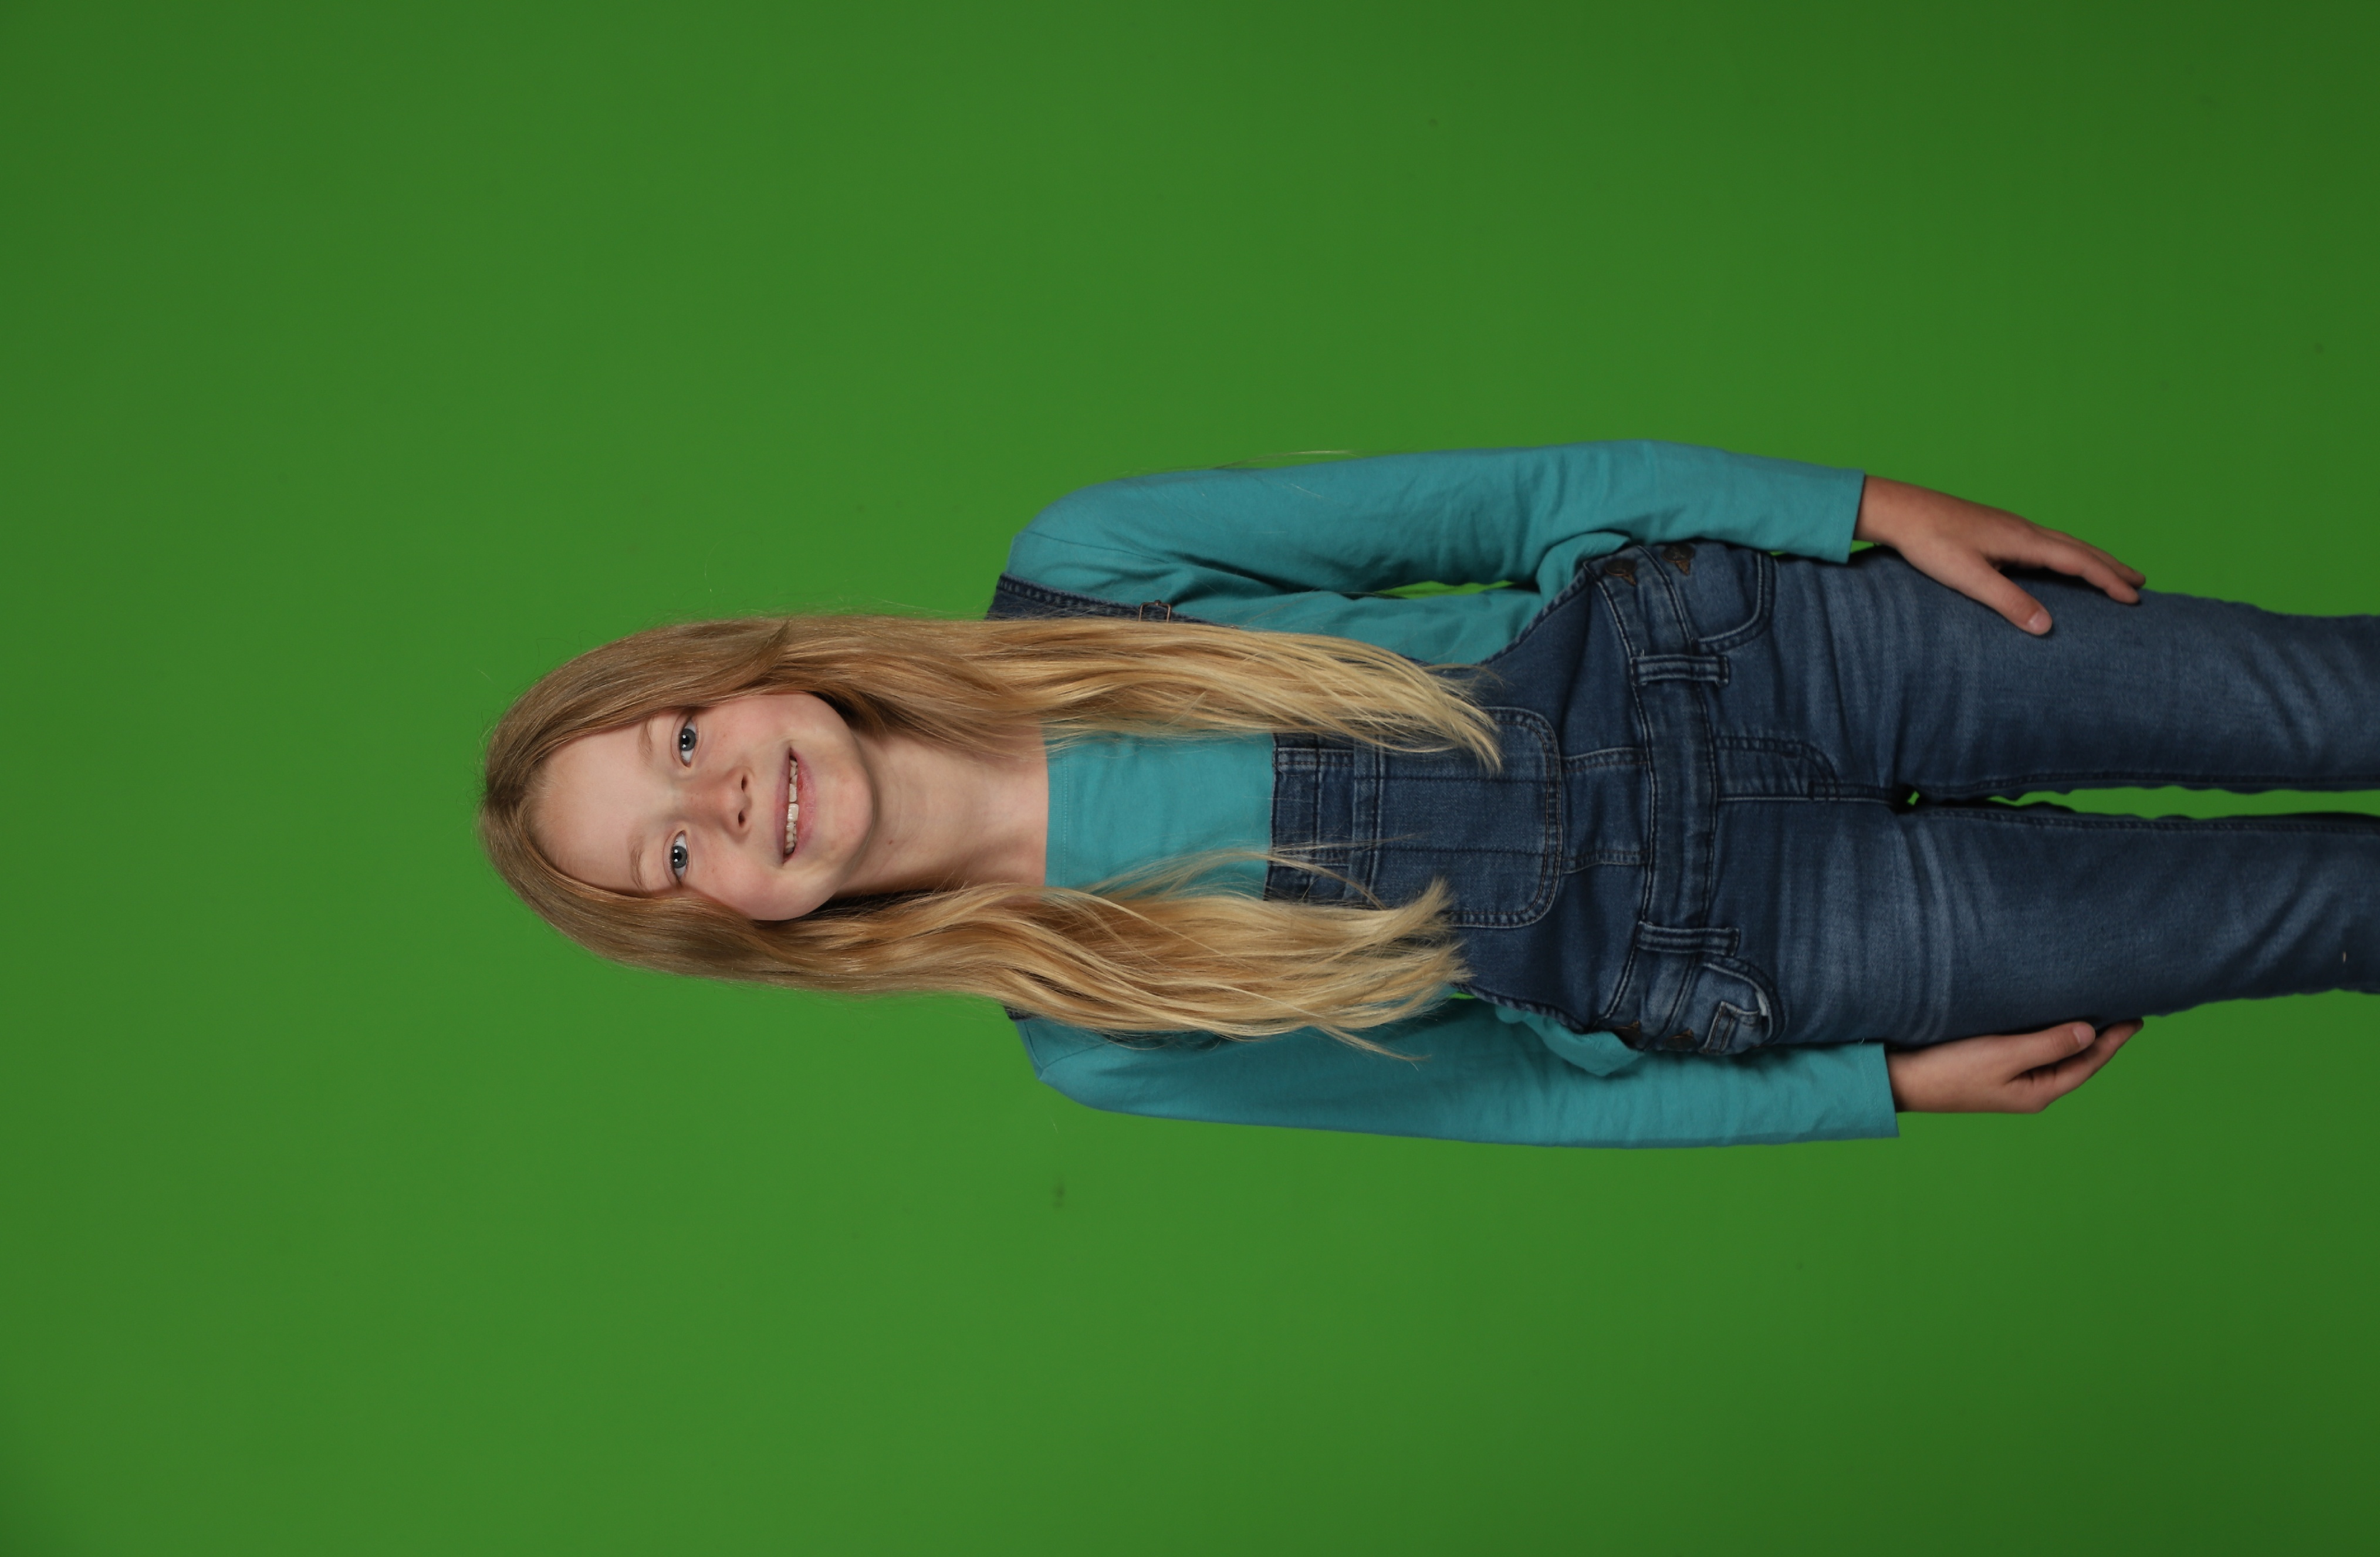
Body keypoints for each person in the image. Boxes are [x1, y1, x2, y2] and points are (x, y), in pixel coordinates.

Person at [481, 442, 2380, 1149]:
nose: (726, 799)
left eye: (680, 740)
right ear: (729, 930)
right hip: (1790, 947)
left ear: (739, 674)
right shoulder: (1101, 1031)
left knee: (2327, 695)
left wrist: (1854, 509)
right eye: (673, 853)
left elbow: (1510, 503)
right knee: (2317, 916)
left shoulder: (1086, 573)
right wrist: (1864, 1090)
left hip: (1786, 651)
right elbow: (1509, 1097)